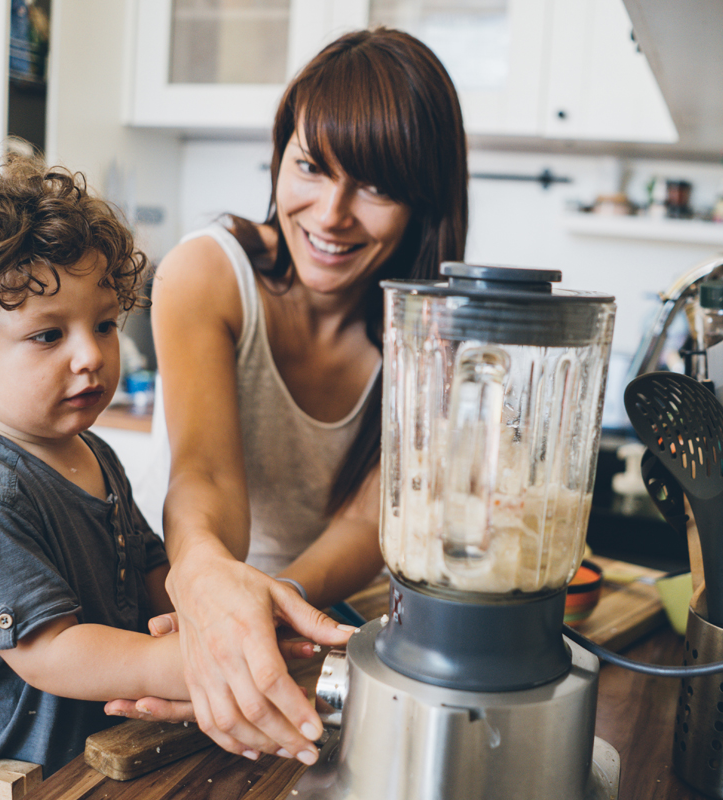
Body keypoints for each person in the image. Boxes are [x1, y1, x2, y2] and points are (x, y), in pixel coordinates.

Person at [124, 27, 469, 766]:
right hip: (181, 596)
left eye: (375, 186)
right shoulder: (206, 274)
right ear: (280, 154)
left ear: (424, 202)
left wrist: (276, 610)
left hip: (314, 617)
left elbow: (367, 520)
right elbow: (205, 480)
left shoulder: (436, 334)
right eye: (311, 166)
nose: (332, 213)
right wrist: (217, 593)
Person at [0, 157, 252, 774]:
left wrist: (209, 614)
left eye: (103, 325)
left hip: (94, 742)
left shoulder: (93, 452)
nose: (91, 356)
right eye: (49, 336)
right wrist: (197, 661)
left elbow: (149, 563)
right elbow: (50, 651)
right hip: (1, 764)